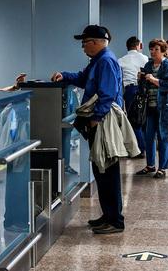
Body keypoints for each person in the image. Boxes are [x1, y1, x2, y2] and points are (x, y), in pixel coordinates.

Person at [51, 25, 124, 234]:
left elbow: (108, 93)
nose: (83, 47)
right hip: (98, 121)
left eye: (84, 43)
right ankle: (108, 215)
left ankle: (116, 220)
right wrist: (64, 75)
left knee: (107, 170)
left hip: (103, 122)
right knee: (101, 170)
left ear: (95, 42)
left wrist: (97, 118)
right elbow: (83, 79)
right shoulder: (97, 61)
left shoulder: (106, 61)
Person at [135, 39, 168, 179]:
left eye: (156, 49)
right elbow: (144, 84)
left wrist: (153, 79)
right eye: (151, 49)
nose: (153, 52)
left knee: (163, 137)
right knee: (149, 137)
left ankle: (162, 167)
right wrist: (141, 78)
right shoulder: (149, 64)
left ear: (163, 51)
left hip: (164, 107)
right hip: (149, 106)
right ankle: (150, 165)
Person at [118, 36, 148, 158]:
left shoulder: (121, 60)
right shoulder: (145, 58)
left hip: (130, 90)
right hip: (143, 89)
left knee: (133, 120)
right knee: (144, 118)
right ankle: (145, 147)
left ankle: (140, 148)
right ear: (137, 46)